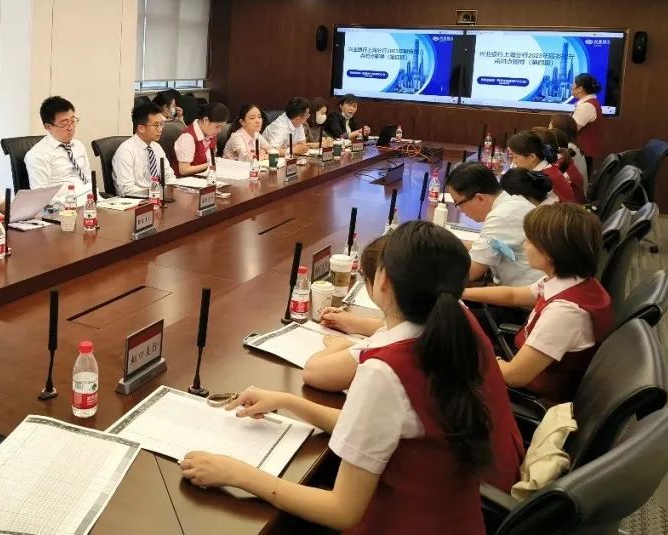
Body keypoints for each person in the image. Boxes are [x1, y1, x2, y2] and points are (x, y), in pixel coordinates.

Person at [180, 222, 521, 532]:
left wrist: (238, 474)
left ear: (383, 280)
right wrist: (287, 402)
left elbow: (342, 510)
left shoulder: (385, 370)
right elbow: (383, 425)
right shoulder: (455, 323)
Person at [463, 204, 613, 405]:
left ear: (549, 253)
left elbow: (513, 376)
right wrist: (462, 293)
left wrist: (485, 358)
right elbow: (513, 295)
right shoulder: (572, 279)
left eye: (529, 240)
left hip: (536, 394)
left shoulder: (565, 312)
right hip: (528, 364)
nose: (525, 245)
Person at [446, 162, 542, 286]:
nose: (460, 210)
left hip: (525, 292)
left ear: (480, 198)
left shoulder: (500, 216)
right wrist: (446, 243)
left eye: (458, 203)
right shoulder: (512, 201)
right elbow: (489, 245)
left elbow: (472, 272)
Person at [25, 96, 93, 191]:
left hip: (90, 196)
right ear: (48, 127)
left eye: (72, 121)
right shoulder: (37, 155)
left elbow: (88, 178)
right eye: (64, 124)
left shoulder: (78, 145)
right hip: (65, 199)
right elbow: (41, 195)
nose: (70, 128)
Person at [112, 102, 178, 197]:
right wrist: (155, 192)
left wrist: (172, 189)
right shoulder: (126, 151)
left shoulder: (157, 147)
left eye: (161, 124)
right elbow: (126, 190)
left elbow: (169, 176)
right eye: (156, 125)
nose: (160, 129)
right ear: (141, 128)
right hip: (135, 201)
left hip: (157, 197)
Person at [507, 130, 577, 204]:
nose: (514, 162)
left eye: (515, 157)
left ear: (532, 157)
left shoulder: (544, 177)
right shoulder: (544, 171)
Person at [174, 102, 229, 176]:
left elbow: (212, 159)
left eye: (222, 127)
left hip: (205, 177)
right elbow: (184, 170)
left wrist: (223, 161)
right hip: (185, 180)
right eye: (217, 126)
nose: (219, 131)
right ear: (206, 120)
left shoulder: (211, 135)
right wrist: (211, 165)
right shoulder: (187, 137)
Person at [569, 73, 604, 173]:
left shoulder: (586, 106)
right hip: (582, 153)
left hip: (582, 154)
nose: (571, 86)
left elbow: (571, 130)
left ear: (580, 89)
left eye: (573, 84)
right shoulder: (589, 103)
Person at [549, 114, 589, 193]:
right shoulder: (573, 145)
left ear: (558, 130)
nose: (548, 130)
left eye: (550, 127)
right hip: (579, 190)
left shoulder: (567, 148)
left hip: (576, 193)